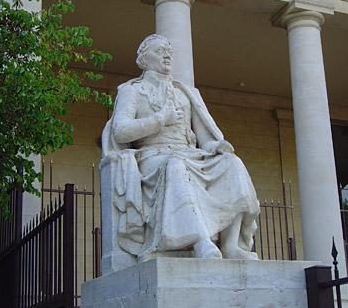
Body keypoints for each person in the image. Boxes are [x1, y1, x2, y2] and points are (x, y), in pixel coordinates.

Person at [102, 34, 260, 261]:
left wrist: (217, 145)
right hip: (153, 155)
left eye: (169, 51)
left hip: (190, 153)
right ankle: (200, 242)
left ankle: (230, 244)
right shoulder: (132, 90)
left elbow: (203, 139)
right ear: (144, 59)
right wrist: (159, 119)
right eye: (159, 51)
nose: (167, 54)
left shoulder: (186, 92)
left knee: (232, 163)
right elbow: (121, 130)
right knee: (175, 166)